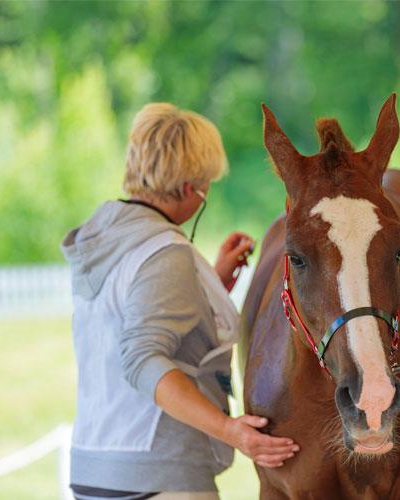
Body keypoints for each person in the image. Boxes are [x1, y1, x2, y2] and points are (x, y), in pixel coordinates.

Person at [61, 103, 298, 500]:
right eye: (205, 186)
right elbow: (142, 359)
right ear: (189, 188)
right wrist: (230, 431)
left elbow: (133, 315)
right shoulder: (164, 252)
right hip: (159, 475)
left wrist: (210, 281)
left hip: (96, 470)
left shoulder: (106, 238)